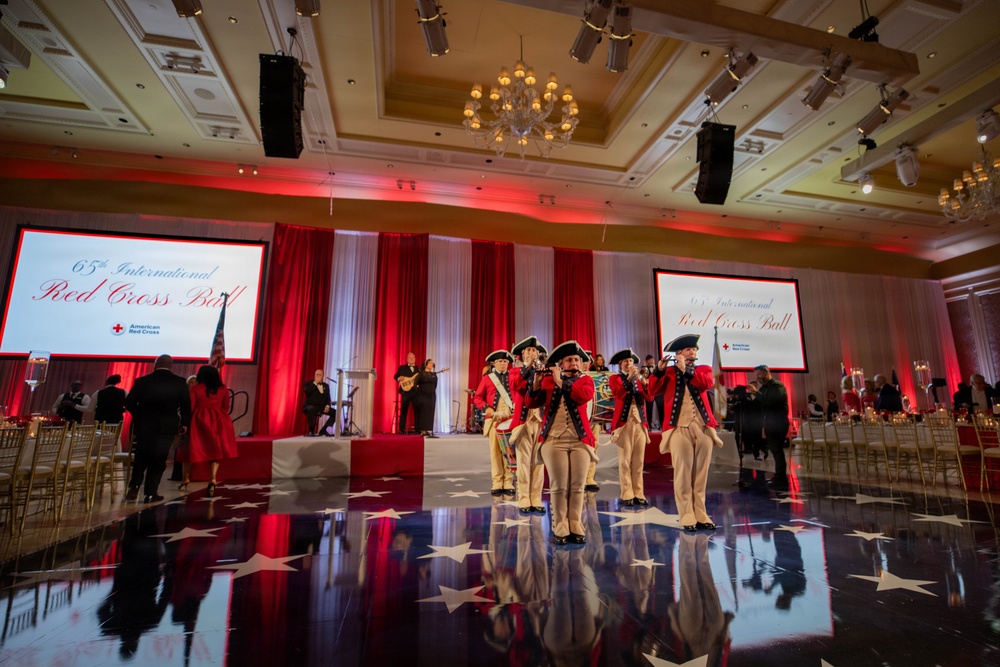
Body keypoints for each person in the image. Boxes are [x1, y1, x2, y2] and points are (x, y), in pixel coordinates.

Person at [649, 334, 723, 532]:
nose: (693, 352)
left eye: (695, 350)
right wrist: (658, 371)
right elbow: (652, 390)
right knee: (683, 471)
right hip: (678, 427)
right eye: (689, 350)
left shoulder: (703, 369)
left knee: (701, 473)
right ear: (678, 353)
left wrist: (686, 370)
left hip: (703, 426)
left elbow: (706, 384)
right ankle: (686, 513)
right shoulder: (669, 372)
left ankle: (701, 511)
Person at [527, 340, 596, 545]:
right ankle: (560, 525)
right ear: (561, 363)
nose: (574, 362)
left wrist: (559, 382)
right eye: (569, 360)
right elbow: (532, 402)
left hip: (580, 440)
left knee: (577, 485)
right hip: (553, 439)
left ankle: (575, 522)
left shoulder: (586, 381)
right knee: (558, 486)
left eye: (576, 359)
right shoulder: (548, 380)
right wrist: (537, 383)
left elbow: (582, 396)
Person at [125, 354, 191, 503]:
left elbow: (128, 402)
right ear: (171, 365)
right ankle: (150, 493)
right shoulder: (179, 382)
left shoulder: (142, 381)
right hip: (167, 427)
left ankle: (134, 486)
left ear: (155, 364)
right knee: (159, 459)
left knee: (141, 456)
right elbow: (186, 406)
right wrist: (185, 424)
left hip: (144, 426)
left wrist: (139, 415)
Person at [179, 365, 237, 496]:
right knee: (215, 451)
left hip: (199, 420)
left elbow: (191, 407)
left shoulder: (195, 388)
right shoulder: (222, 389)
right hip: (219, 420)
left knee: (191, 449)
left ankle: (186, 479)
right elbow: (226, 406)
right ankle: (213, 479)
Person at [608, 348, 652, 507]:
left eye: (631, 361)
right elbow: (619, 394)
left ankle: (639, 492)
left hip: (640, 423)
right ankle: (627, 493)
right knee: (625, 461)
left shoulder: (640, 379)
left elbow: (650, 397)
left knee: (638, 460)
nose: (629, 363)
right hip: (623, 423)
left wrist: (646, 384)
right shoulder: (615, 379)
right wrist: (629, 378)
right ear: (620, 364)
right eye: (626, 361)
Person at [509, 336, 547, 515]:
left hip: (540, 421)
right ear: (521, 355)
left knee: (538, 462)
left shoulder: (543, 371)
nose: (532, 353)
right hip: (523, 422)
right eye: (528, 351)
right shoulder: (515, 372)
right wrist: (528, 368)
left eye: (534, 351)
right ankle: (524, 497)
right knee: (523, 462)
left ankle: (536, 498)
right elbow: (516, 386)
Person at [474, 350, 516, 496]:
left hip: (510, 418)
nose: (503, 364)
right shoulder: (487, 378)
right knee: (495, 452)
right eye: (500, 361)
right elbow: (477, 397)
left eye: (505, 361)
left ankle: (509, 481)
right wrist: (487, 408)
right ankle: (497, 481)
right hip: (494, 420)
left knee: (509, 452)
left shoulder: (513, 376)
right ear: (494, 363)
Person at [747, 364, 790, 489]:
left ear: (767, 372)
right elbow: (763, 405)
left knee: (777, 451)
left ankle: (781, 479)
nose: (758, 377)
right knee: (775, 451)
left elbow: (772, 403)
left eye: (759, 374)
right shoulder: (764, 388)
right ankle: (779, 476)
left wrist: (757, 393)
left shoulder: (777, 386)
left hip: (778, 422)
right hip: (770, 423)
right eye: (756, 375)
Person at [393, 352, 420, 434]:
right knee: (404, 411)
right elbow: (395, 376)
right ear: (407, 359)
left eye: (413, 357)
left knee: (417, 411)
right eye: (410, 357)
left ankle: (417, 429)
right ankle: (401, 429)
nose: (411, 359)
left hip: (416, 393)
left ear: (415, 359)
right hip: (405, 392)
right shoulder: (402, 368)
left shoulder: (418, 369)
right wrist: (398, 378)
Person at [412, 358, 439, 437]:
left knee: (430, 412)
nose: (431, 364)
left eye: (432, 363)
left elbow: (435, 385)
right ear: (426, 364)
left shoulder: (434, 374)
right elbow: (415, 384)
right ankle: (423, 430)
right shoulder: (421, 373)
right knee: (424, 412)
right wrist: (419, 392)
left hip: (431, 395)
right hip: (422, 396)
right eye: (430, 363)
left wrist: (431, 391)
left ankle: (428, 429)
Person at [302, 369, 332, 437]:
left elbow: (328, 397)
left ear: (323, 376)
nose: (318, 376)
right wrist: (315, 383)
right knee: (311, 409)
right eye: (316, 374)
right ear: (314, 375)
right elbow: (307, 392)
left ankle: (323, 430)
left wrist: (327, 406)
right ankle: (311, 431)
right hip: (311, 405)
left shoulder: (326, 386)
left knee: (335, 413)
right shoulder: (309, 383)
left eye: (319, 375)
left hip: (321, 406)